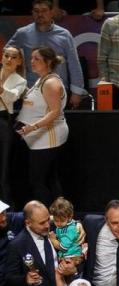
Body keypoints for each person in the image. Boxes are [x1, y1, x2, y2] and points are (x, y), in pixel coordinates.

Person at [5, 0, 86, 108]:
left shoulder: (64, 35)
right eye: (36, 11)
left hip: (58, 90)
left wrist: (77, 92)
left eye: (44, 11)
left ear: (51, 12)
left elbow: (74, 64)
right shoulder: (22, 33)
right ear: (32, 13)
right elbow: (6, 55)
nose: (40, 14)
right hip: (31, 90)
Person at [15, 46, 68, 203]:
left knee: (39, 181)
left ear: (48, 61)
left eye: (36, 59)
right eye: (31, 58)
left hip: (48, 136)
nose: (32, 62)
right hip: (40, 137)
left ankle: (48, 217)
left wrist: (33, 127)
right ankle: (58, 217)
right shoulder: (42, 79)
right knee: (49, 178)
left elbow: (54, 112)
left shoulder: (51, 83)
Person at [4, 201, 72, 286]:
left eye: (47, 220)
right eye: (42, 223)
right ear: (28, 223)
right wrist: (25, 280)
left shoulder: (58, 229)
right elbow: (10, 278)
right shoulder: (17, 245)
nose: (47, 225)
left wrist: (72, 270)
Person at [0, 47, 26, 198]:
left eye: (13, 57)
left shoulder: (20, 80)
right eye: (6, 55)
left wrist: (2, 90)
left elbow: (11, 98)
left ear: (19, 61)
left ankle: (5, 211)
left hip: (3, 121)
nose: (9, 59)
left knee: (3, 169)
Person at [47, 196, 83, 266]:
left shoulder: (71, 229)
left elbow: (63, 248)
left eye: (62, 221)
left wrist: (53, 240)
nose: (59, 223)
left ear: (69, 217)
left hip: (72, 258)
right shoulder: (63, 225)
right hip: (65, 257)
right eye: (56, 220)